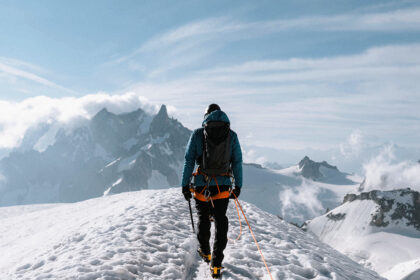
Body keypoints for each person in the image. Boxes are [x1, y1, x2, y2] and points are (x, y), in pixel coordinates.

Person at [181, 104, 243, 278]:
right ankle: (216, 264)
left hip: (202, 184)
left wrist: (185, 185)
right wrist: (238, 186)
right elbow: (237, 162)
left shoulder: (198, 134)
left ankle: (205, 252)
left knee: (203, 218)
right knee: (220, 220)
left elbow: (189, 160)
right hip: (222, 186)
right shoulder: (232, 135)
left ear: (206, 116)